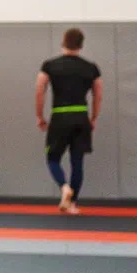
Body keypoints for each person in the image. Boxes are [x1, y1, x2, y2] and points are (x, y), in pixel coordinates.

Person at [37, 28, 104, 214]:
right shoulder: (91, 68)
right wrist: (94, 117)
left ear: (63, 42)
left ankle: (64, 187)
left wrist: (40, 116)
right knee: (77, 162)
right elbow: (98, 94)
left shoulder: (49, 66)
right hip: (81, 117)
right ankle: (73, 204)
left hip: (59, 116)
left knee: (52, 158)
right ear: (81, 45)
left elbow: (39, 90)